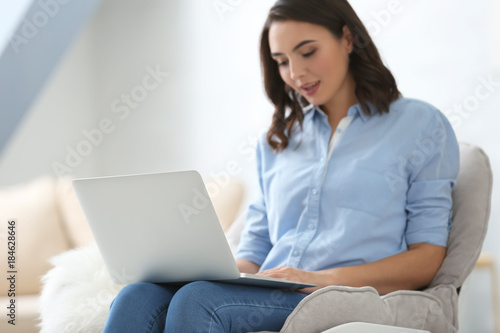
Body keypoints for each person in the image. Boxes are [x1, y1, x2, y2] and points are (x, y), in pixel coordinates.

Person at [103, 0, 460, 332]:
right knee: (137, 297)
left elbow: (426, 259)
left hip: (340, 296)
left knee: (199, 301)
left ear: (347, 39)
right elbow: (255, 249)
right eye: (282, 61)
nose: (296, 73)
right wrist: (196, 270)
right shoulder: (278, 140)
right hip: (271, 289)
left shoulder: (420, 126)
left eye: (308, 52)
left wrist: (319, 277)